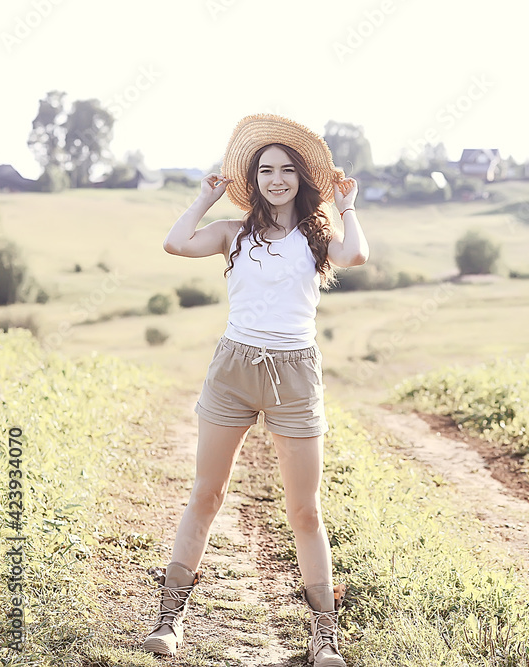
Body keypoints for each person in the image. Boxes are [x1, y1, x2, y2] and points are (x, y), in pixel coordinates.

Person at [144, 113, 368, 667]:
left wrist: (347, 205)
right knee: (207, 494)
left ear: (300, 178)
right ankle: (169, 620)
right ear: (254, 178)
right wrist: (204, 199)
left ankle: (323, 636)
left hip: (295, 373)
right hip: (233, 368)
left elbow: (356, 255)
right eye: (266, 170)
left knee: (304, 510)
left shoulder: (317, 237)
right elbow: (175, 243)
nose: (276, 179)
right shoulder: (233, 233)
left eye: (286, 170)